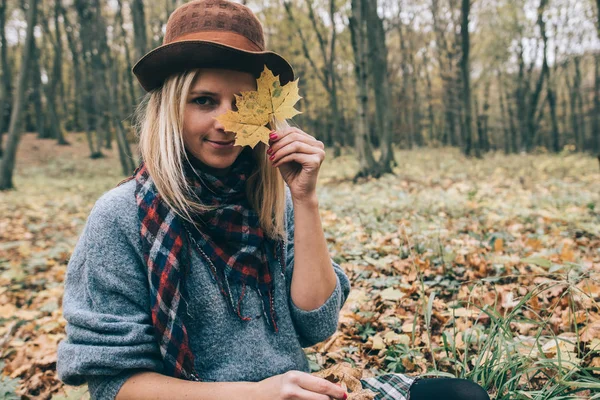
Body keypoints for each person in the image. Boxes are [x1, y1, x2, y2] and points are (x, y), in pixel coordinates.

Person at [56, 1, 489, 400]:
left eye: (243, 103)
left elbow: (315, 325)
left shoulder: (268, 200)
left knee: (459, 396)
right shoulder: (122, 216)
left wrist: (305, 199)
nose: (225, 122)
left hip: (292, 392)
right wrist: (255, 393)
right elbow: (113, 383)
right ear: (171, 108)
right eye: (204, 101)